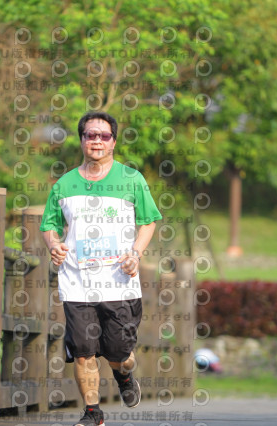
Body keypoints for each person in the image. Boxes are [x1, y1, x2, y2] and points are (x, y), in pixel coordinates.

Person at [40, 111, 161, 426]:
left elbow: (148, 222)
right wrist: (53, 246)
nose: (96, 141)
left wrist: (136, 253)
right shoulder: (64, 184)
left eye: (103, 136)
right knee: (82, 351)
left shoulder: (132, 180)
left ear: (113, 141)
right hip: (77, 281)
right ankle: (92, 412)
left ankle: (124, 373)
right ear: (81, 140)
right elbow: (50, 226)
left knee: (118, 352)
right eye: (90, 135)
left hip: (120, 282)